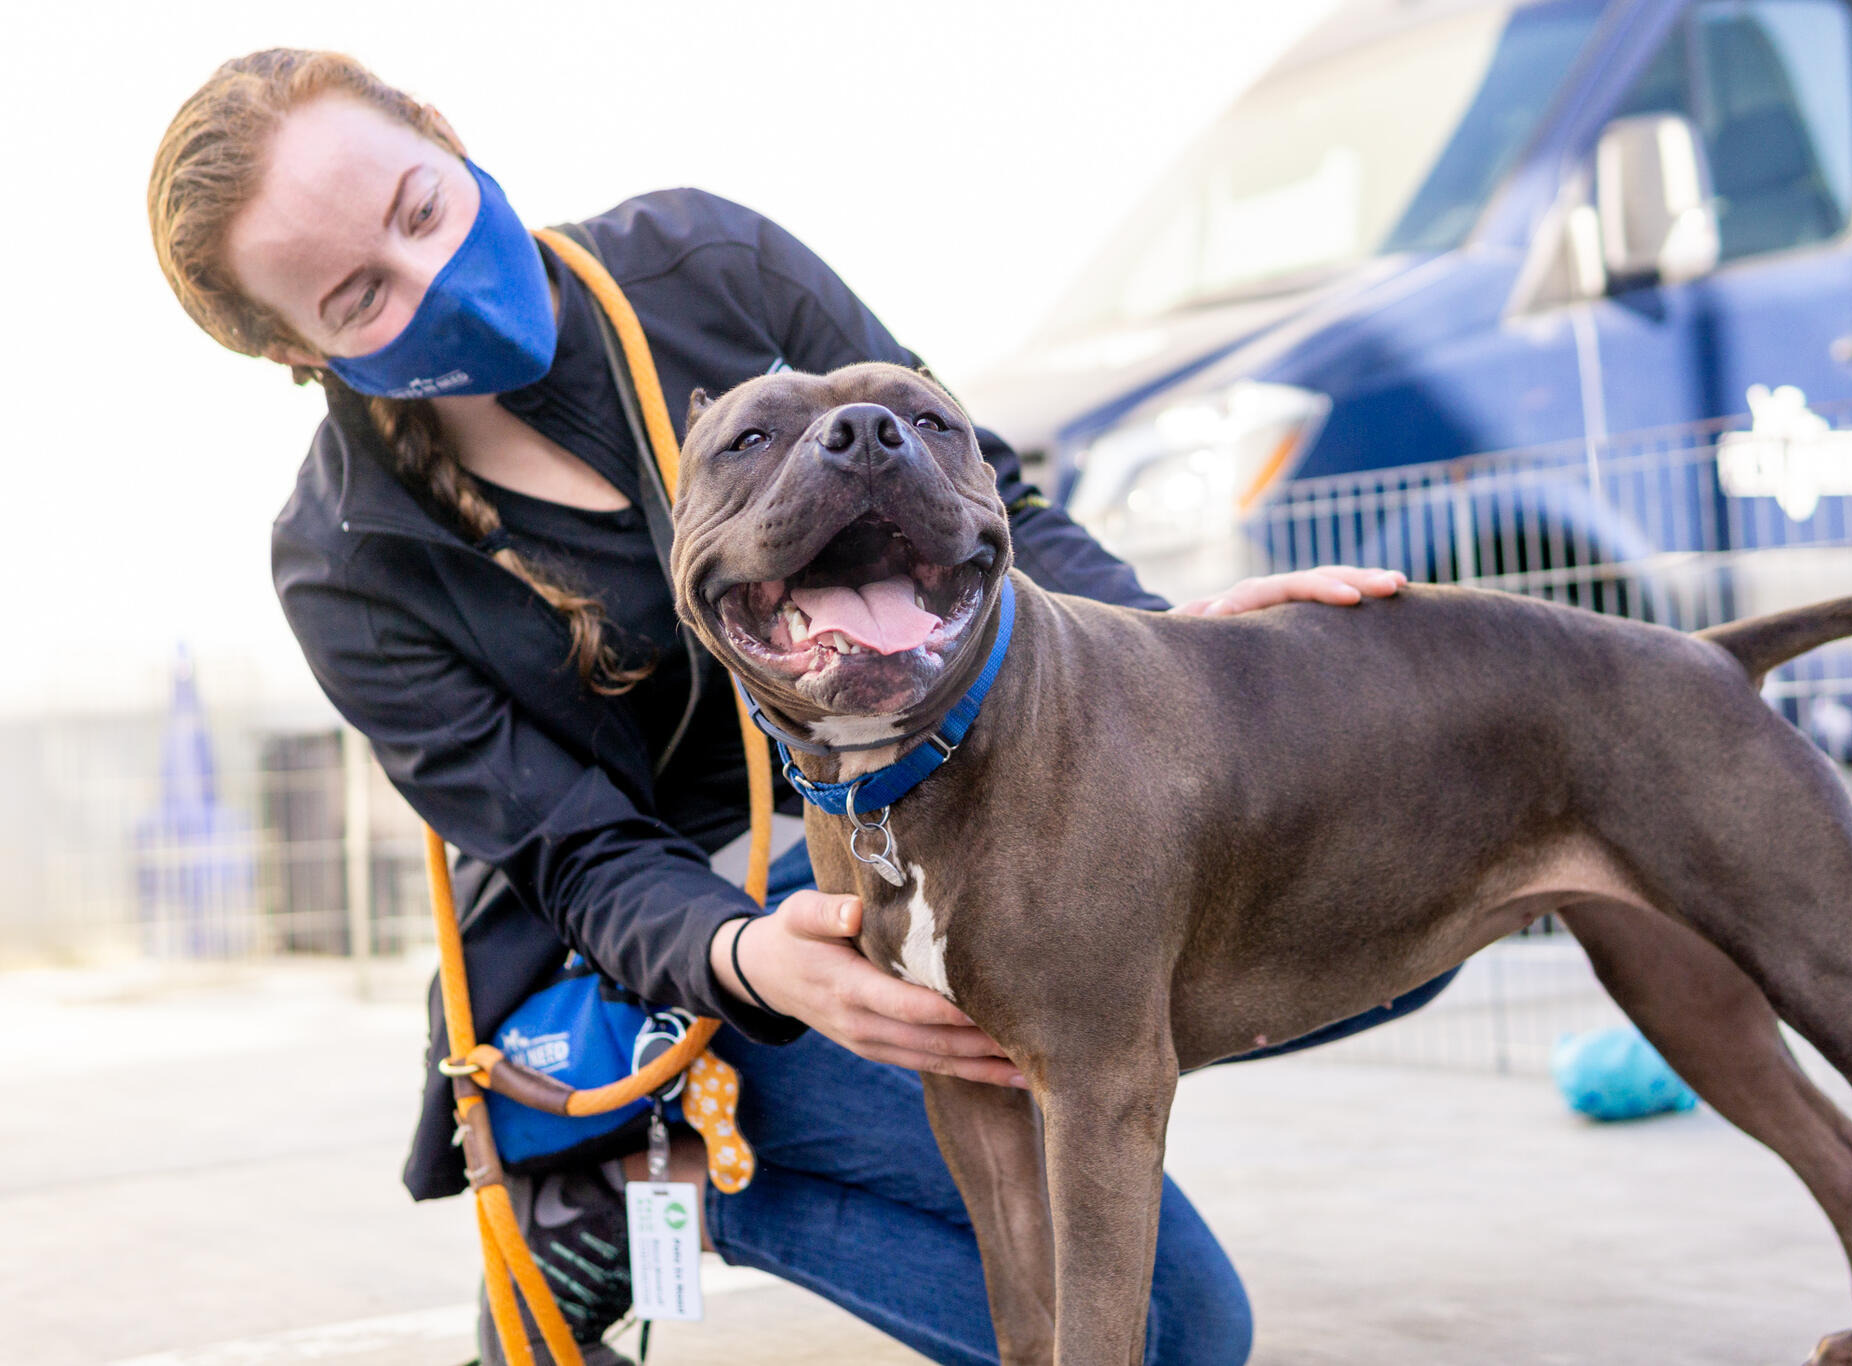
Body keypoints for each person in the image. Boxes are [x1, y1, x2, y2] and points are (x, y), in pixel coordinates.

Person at [147, 49, 1450, 1366]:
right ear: (288, 346)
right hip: (668, 946)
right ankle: (654, 1171)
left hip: (897, 826)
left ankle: (1029, 1079)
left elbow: (983, 494)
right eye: (360, 293)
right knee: (1170, 1334)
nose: (430, 276)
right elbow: (571, 852)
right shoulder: (344, 556)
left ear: (441, 130)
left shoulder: (708, 264)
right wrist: (753, 956)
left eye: (420, 208)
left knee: (1390, 896)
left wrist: (1181, 653)